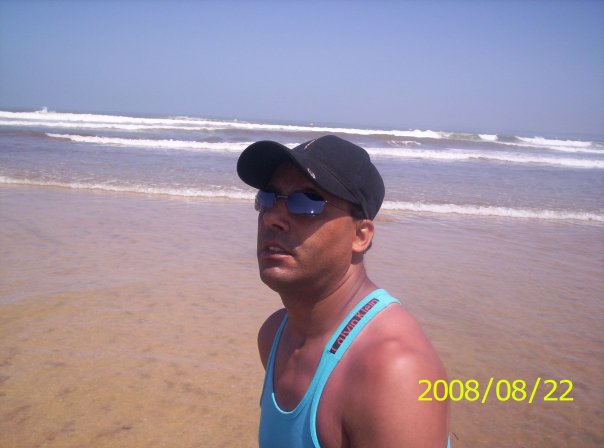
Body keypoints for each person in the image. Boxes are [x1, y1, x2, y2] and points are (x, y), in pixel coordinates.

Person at [237, 135, 450, 448]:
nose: (272, 217)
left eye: (306, 202)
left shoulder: (393, 372)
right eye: (267, 198)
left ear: (360, 235)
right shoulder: (274, 336)